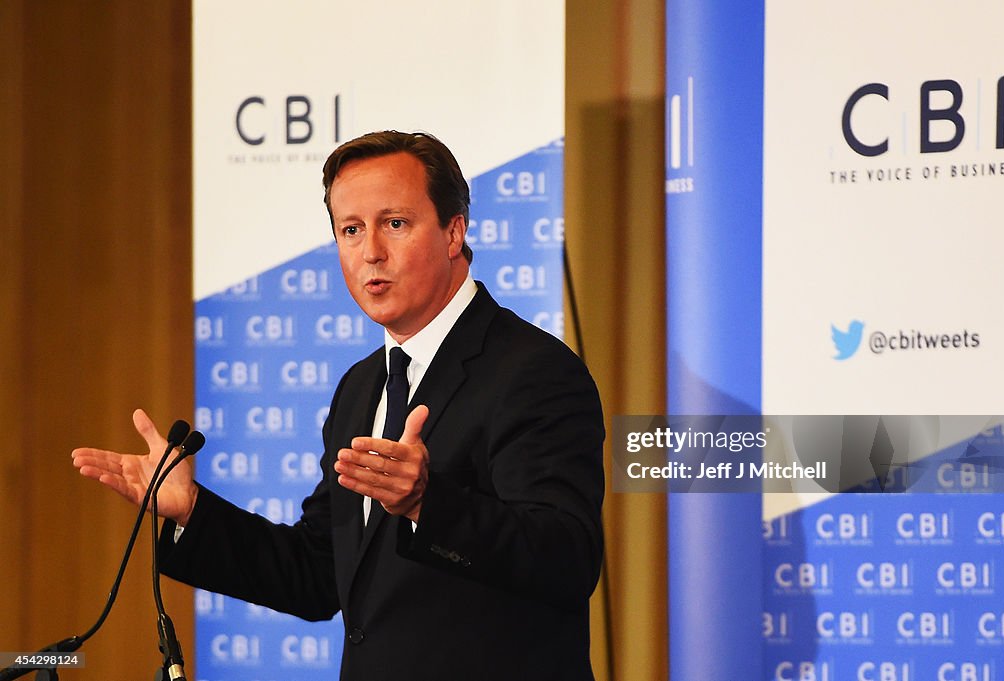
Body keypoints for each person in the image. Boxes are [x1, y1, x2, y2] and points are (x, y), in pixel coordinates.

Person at [72, 131, 605, 680]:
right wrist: (192, 511)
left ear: (454, 232)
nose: (371, 251)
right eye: (351, 230)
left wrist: (429, 503)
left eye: (395, 223)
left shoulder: (534, 371)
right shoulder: (361, 386)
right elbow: (318, 571)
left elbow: (567, 559)